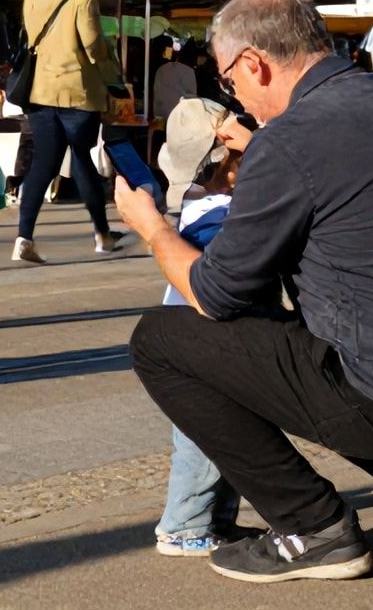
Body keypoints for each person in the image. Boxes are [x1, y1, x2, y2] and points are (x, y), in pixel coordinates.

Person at [115, 0, 373, 583]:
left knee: (161, 341)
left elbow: (215, 293)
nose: (237, 97)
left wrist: (151, 228)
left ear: (255, 62)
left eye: (230, 82)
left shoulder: (290, 140)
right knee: (308, 329)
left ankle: (312, 526)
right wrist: (270, 151)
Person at [152, 96, 246, 557]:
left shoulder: (195, 208)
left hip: (189, 347)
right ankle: (183, 527)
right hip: (201, 353)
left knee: (222, 442)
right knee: (203, 447)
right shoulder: (221, 221)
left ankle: (217, 521)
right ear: (226, 162)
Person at [12, 0, 127, 264]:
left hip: (40, 92)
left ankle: (24, 237)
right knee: (81, 158)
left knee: (43, 165)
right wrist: (113, 72)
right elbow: (93, 46)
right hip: (78, 94)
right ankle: (102, 234)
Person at [152, 43, 200, 122]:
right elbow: (192, 98)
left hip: (161, 117)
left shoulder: (162, 69)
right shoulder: (189, 72)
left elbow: (157, 94)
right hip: (180, 120)